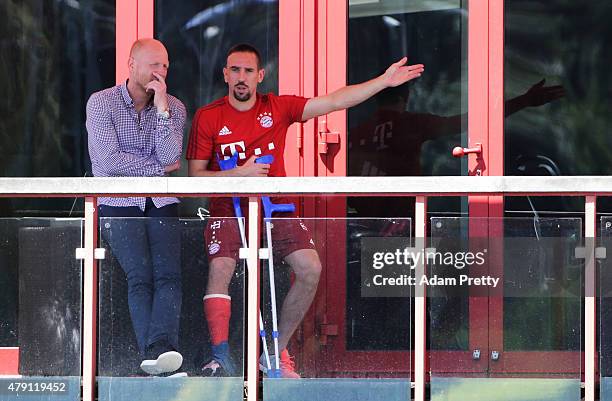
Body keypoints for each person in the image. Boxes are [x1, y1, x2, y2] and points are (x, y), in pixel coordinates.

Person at [186, 43, 424, 378]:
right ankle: (219, 356)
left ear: (260, 76)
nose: (241, 78)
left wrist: (383, 82)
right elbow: (194, 176)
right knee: (221, 267)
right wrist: (240, 174)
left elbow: (335, 100)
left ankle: (273, 353)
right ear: (225, 74)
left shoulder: (278, 107)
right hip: (228, 206)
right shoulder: (209, 115)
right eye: (235, 70)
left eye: (248, 71)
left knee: (310, 267)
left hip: (275, 206)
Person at [86, 38, 187, 376]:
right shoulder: (101, 103)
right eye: (153, 65)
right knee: (140, 276)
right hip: (119, 201)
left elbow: (173, 157)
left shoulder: (173, 106)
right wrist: (155, 167)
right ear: (131, 65)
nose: (160, 72)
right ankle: (157, 355)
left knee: (170, 276)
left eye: (165, 66)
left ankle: (160, 351)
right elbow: (107, 161)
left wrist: (161, 111)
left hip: (160, 201)